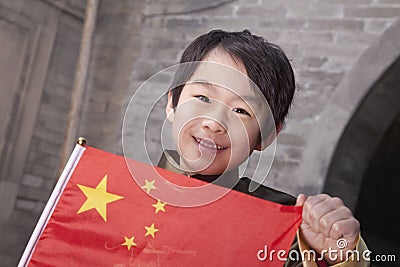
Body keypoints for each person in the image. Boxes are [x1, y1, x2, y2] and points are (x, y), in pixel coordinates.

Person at [157, 29, 368, 266]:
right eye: (203, 98)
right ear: (172, 104)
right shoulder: (113, 189)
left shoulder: (288, 227)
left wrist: (338, 257)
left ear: (266, 135)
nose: (214, 123)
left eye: (241, 111)